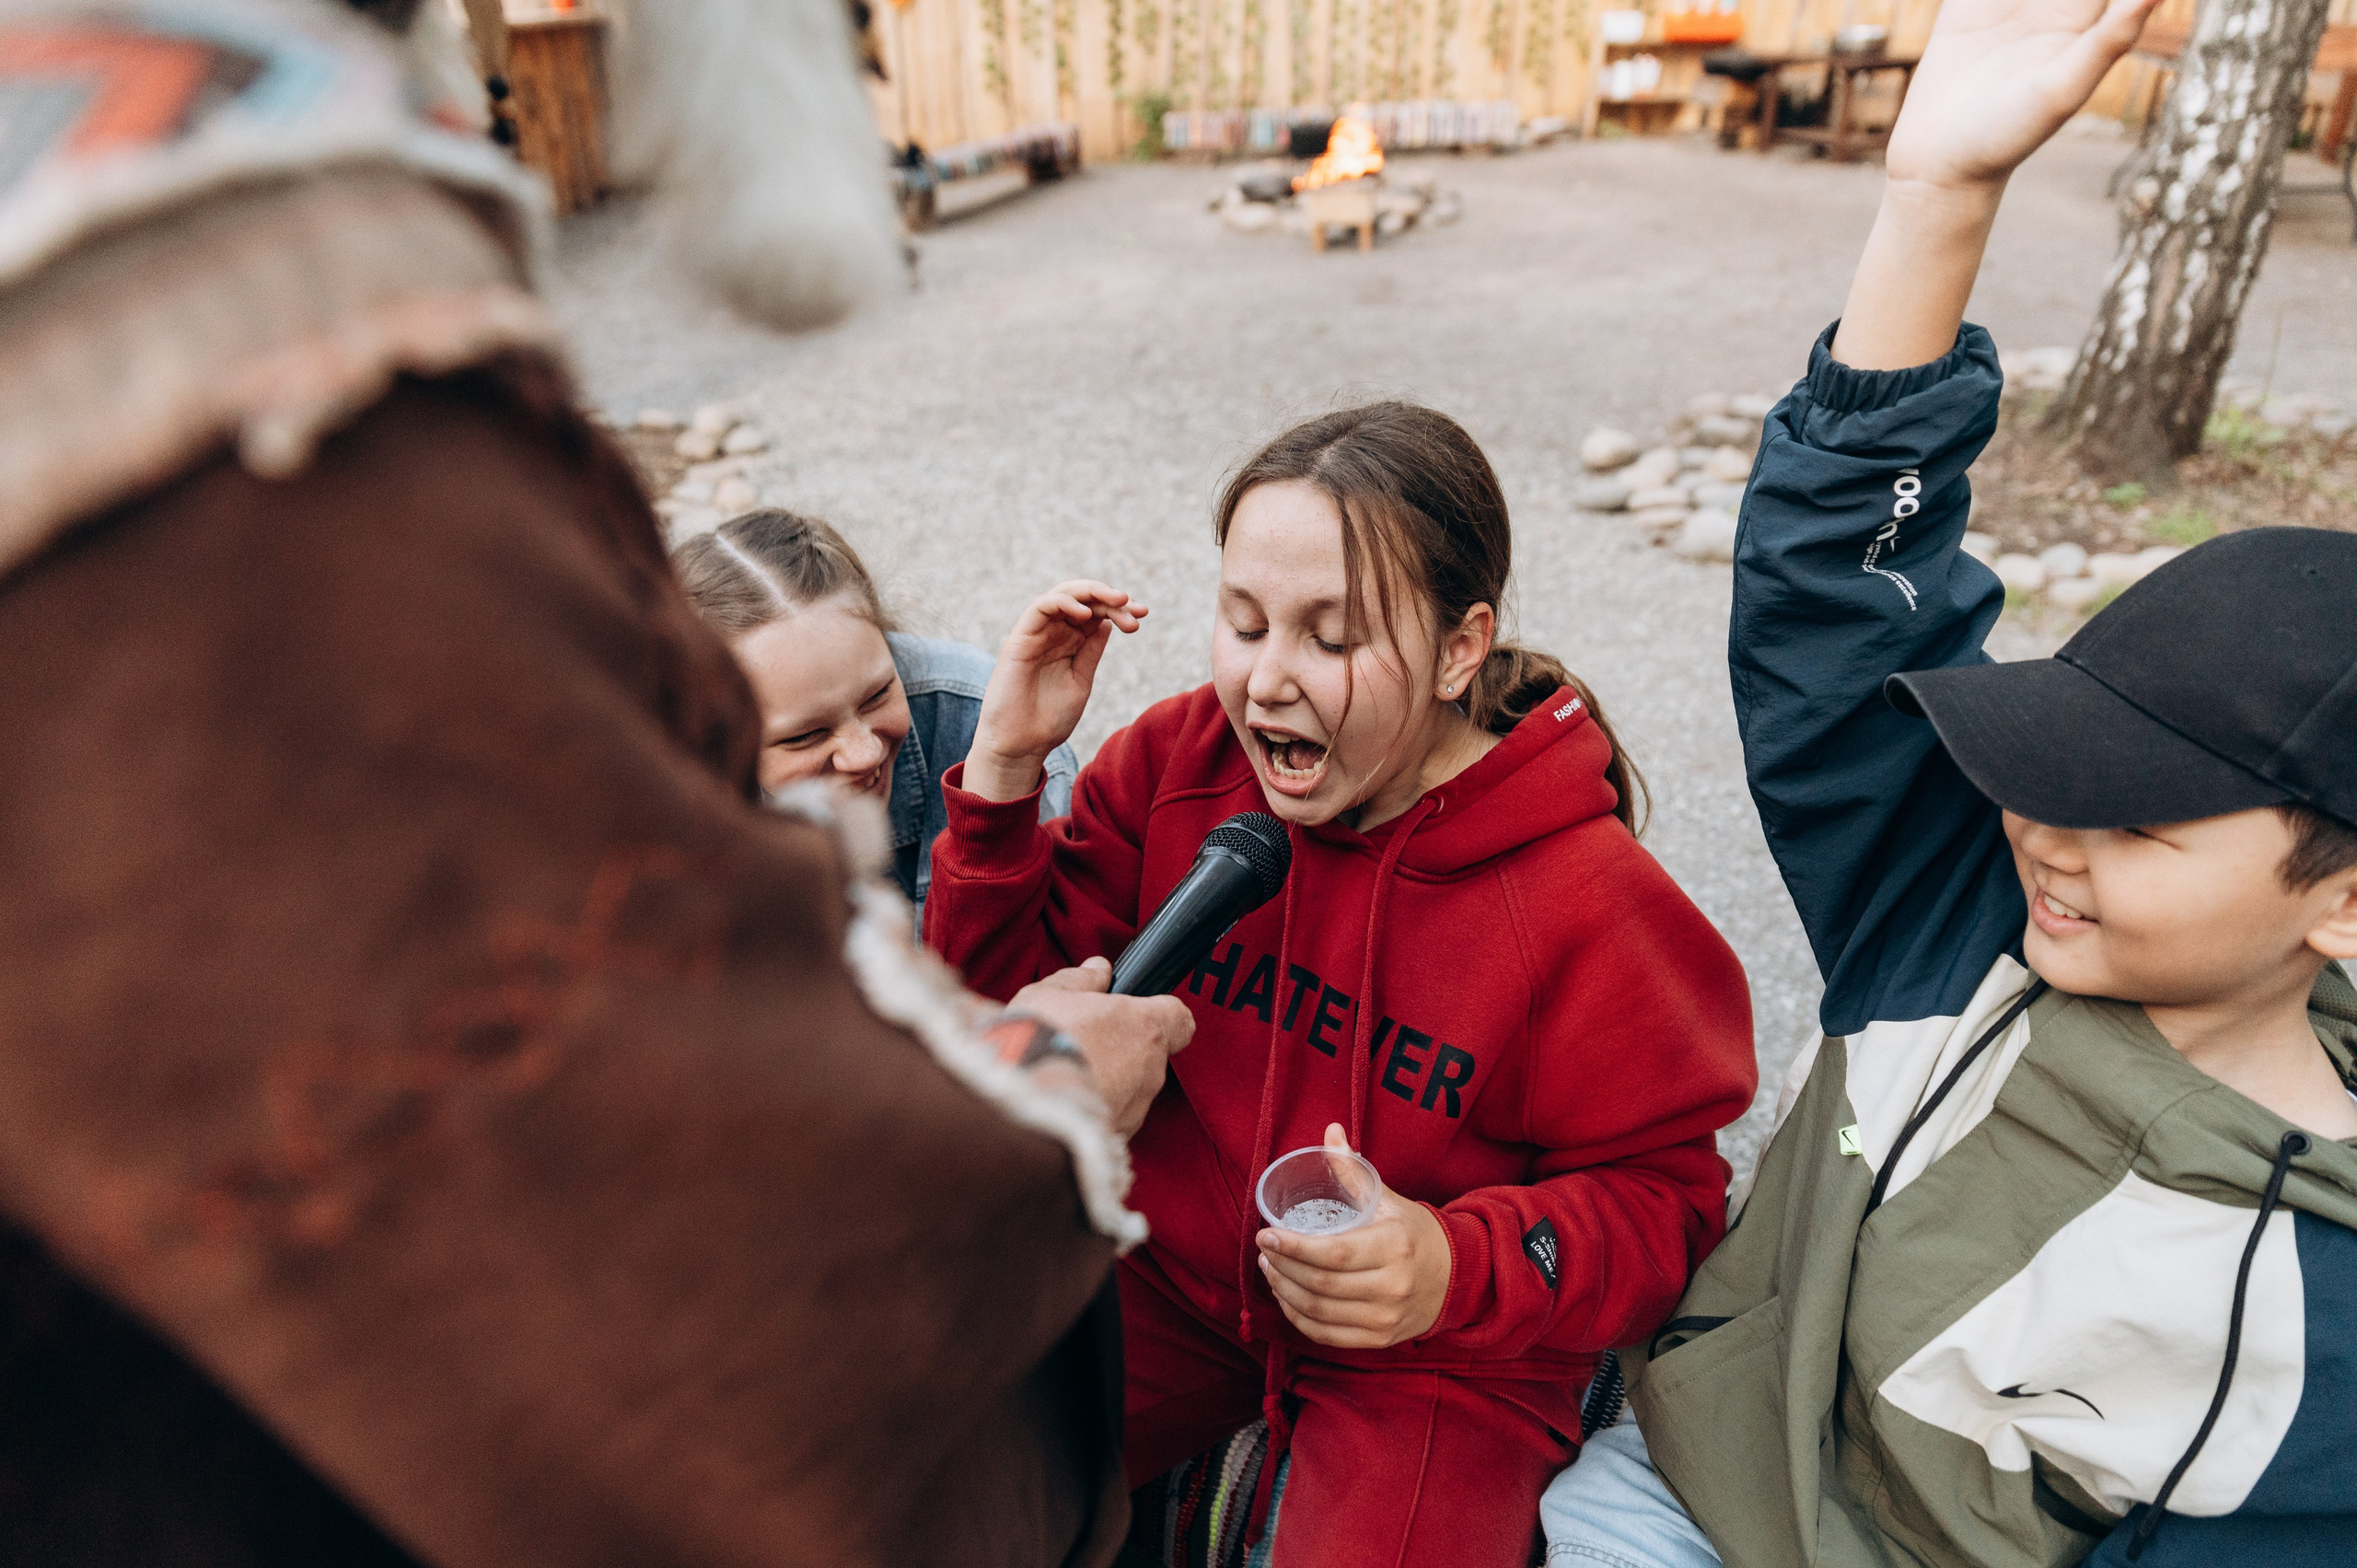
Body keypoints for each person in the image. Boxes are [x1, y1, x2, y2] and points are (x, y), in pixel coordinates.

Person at [0, 2, 1190, 1565]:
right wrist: (1042, 1098)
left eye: (876, 706)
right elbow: (651, 1246)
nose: (864, 747)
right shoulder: (239, 347)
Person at [1540, 0, 2357, 1563]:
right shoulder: (1970, 906)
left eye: (2138, 814)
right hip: (1673, 1481)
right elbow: (1834, 613)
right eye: (2053, 762)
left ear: (2344, 901)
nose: (2045, 828)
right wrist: (1938, 198)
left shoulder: (2317, 1337)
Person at [923, 403, 1759, 1568]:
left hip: (1431, 1356)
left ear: (1461, 648)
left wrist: (1448, 1264)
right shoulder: (1178, 765)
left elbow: (1666, 1203)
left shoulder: (1592, 906)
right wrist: (1006, 776)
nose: (1267, 680)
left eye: (1332, 637)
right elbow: (996, 1010)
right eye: (1243, 622)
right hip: (1162, 1279)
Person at [673, 509, 1079, 924]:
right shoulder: (667, 815)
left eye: (877, 695)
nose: (864, 754)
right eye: (805, 736)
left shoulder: (987, 721)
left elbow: (1067, 936)